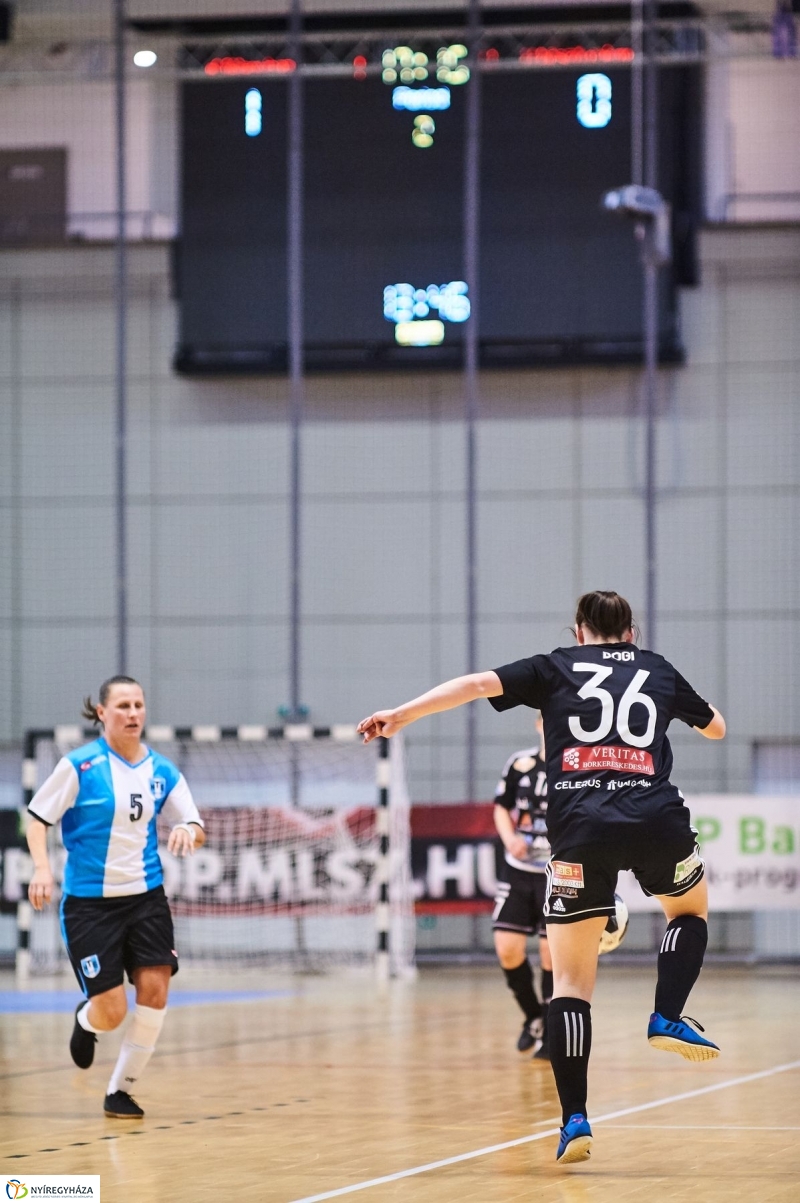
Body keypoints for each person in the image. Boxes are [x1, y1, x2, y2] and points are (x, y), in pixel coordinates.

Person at [358, 590, 726, 1165]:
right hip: (657, 820)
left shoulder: (555, 665)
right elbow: (718, 730)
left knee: (571, 986)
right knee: (688, 911)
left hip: (580, 830)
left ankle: (574, 1119)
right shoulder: (657, 667)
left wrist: (401, 714)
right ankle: (668, 1014)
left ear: (579, 631)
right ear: (631, 632)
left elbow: (475, 685)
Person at [26, 675, 205, 1120]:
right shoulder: (79, 766)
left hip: (146, 898)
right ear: (101, 713)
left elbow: (196, 825)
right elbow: (36, 819)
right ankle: (87, 1020)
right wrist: (43, 869)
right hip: (90, 905)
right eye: (122, 705)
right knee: (111, 1012)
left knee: (155, 991)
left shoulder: (161, 770)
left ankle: (119, 1091)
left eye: (139, 705)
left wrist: (187, 829)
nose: (133, 713)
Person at [493, 714, 553, 1060]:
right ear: (537, 724)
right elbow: (501, 807)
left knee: (550, 953)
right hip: (519, 869)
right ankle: (532, 1016)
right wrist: (510, 837)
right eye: (546, 719)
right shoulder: (520, 763)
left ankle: (550, 1030)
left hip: (556, 872)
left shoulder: (576, 766)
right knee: (507, 948)